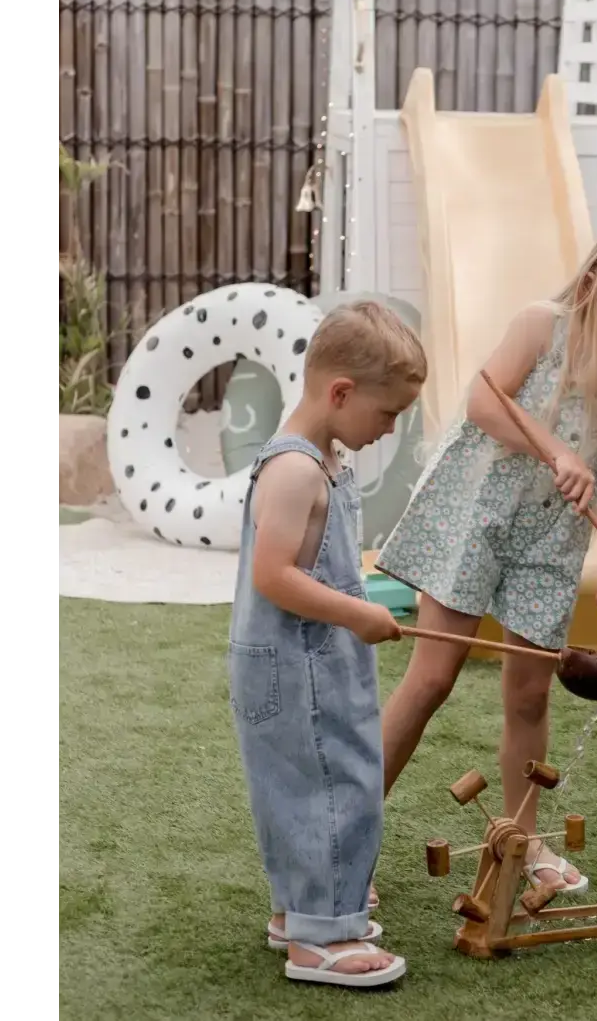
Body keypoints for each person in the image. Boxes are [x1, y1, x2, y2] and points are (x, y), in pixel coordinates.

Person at [373, 220, 597, 898]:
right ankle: (349, 834)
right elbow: (484, 400)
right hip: (481, 514)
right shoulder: (541, 325)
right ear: (589, 289)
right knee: (432, 677)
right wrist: (557, 451)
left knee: (529, 693)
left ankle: (521, 839)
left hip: (551, 541)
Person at [228, 300, 427, 989]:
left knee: (304, 785)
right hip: (299, 666)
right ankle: (323, 939)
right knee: (332, 785)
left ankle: (302, 911)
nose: (390, 428)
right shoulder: (295, 470)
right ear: (340, 392)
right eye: (387, 413)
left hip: (308, 663)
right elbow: (273, 573)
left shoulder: (326, 458)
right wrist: (357, 613)